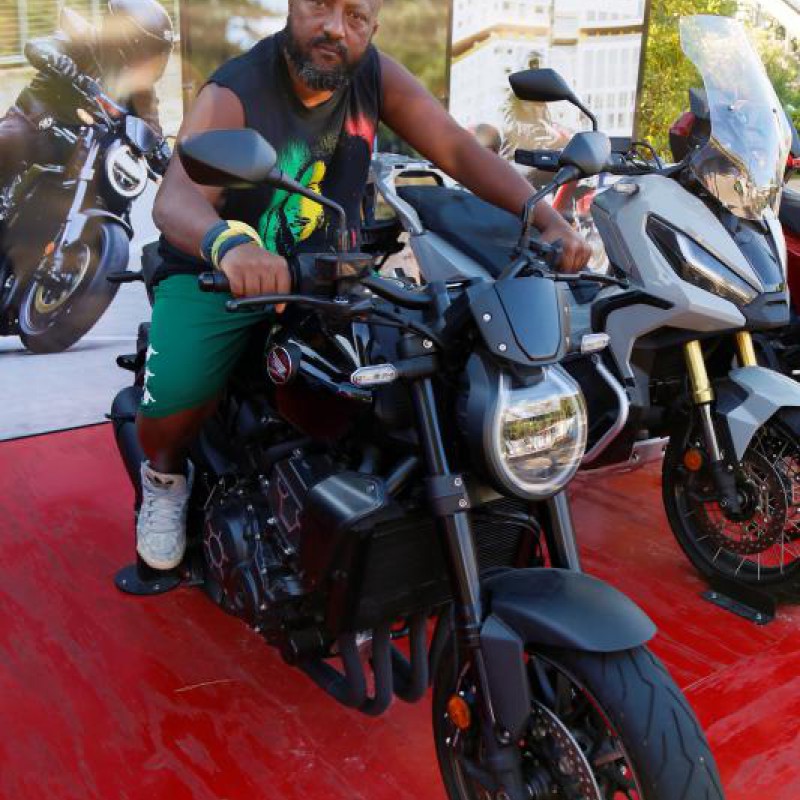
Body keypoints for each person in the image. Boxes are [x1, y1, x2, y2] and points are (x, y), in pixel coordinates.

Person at [137, 0, 593, 570]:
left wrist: (545, 217)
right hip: (223, 272)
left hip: (333, 275)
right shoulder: (236, 91)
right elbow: (175, 199)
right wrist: (231, 247)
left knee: (417, 369)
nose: (335, 27)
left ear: (372, 27)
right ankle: (164, 478)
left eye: (355, 16)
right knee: (178, 393)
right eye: (320, 6)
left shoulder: (375, 74)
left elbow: (456, 148)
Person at [0, 0, 174, 185]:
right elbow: (38, 46)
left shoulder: (142, 88)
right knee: (9, 140)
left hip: (88, 150)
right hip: (40, 125)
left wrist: (164, 158)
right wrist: (57, 61)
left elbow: (151, 130)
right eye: (150, 51)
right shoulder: (87, 41)